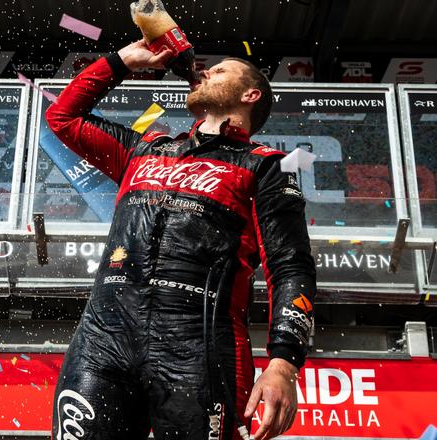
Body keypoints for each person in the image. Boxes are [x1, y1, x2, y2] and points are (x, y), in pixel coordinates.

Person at [47, 39, 316, 440]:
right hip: (103, 339)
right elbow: (63, 118)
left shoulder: (266, 168)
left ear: (250, 94)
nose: (205, 71)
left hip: (199, 347)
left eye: (221, 70)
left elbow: (291, 267)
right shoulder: (143, 149)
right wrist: (122, 61)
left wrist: (284, 363)